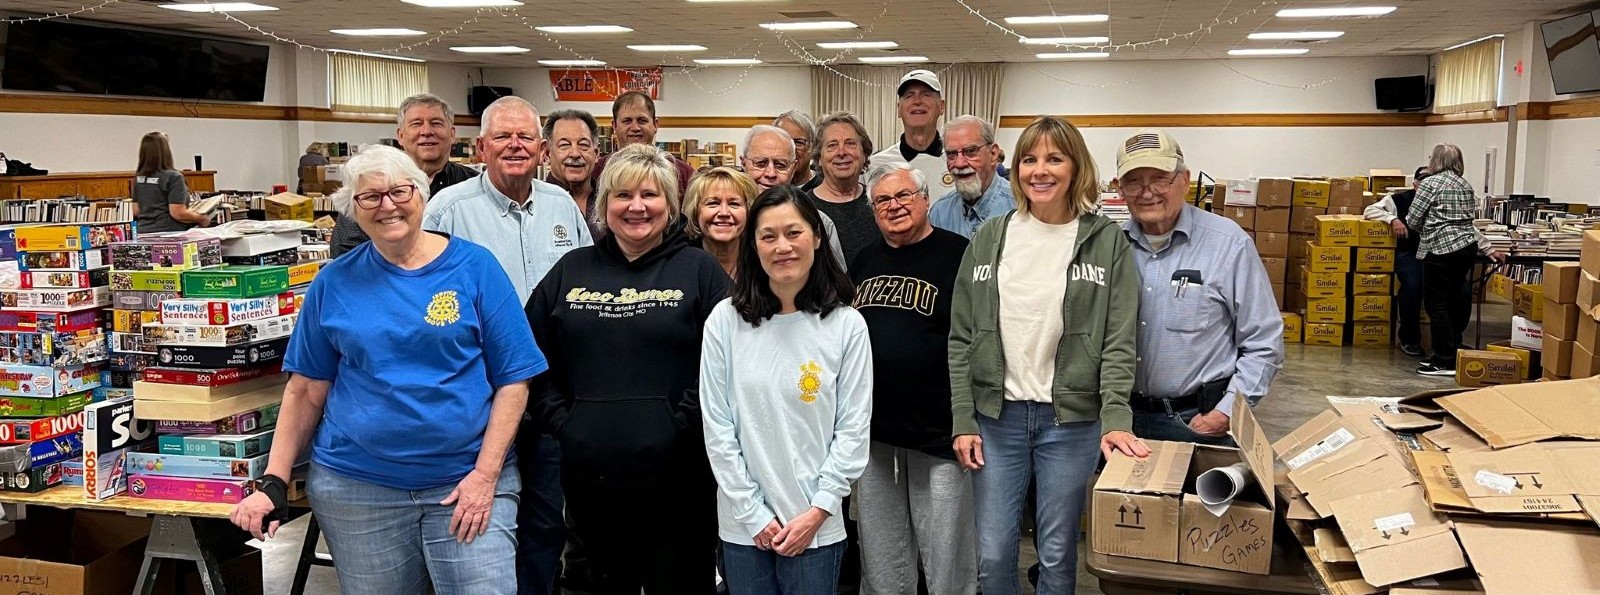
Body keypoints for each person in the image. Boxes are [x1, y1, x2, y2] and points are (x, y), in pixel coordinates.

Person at [228, 145, 546, 595]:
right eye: (370, 197)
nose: (388, 205)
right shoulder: (333, 282)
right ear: (352, 211)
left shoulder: (476, 269)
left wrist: (485, 475)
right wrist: (274, 483)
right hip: (358, 492)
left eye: (399, 191)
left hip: (465, 483)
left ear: (422, 193)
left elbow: (514, 379)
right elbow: (305, 391)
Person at [949, 116, 1147, 595]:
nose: (1040, 170)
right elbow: (960, 337)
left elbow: (1119, 340)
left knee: (1058, 555)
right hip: (998, 421)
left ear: (1075, 167)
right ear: (1014, 169)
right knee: (993, 554)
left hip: (1071, 424)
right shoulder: (990, 238)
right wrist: (963, 417)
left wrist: (1116, 414)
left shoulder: (1105, 242)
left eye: (1055, 158)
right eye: (1030, 160)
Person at [525, 144, 728, 594]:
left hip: (680, 478)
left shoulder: (700, 270)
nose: (637, 207)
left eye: (650, 195)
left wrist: (680, 423)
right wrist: (565, 422)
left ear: (671, 206)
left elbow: (729, 361)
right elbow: (528, 356)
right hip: (590, 477)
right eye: (622, 195)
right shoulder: (571, 270)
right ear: (604, 206)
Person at [424, 95, 591, 595]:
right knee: (477, 519)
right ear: (481, 147)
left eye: (525, 137)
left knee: (545, 519)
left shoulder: (561, 205)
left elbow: (584, 284)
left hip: (549, 393)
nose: (515, 146)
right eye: (502, 136)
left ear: (542, 149)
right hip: (478, 395)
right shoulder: (448, 211)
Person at [700, 185, 872, 594]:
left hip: (816, 523)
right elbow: (717, 425)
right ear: (753, 245)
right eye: (768, 236)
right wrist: (752, 511)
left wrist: (819, 510)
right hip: (744, 525)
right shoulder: (725, 321)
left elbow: (852, 429)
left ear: (816, 236)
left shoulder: (846, 325)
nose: (783, 247)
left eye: (793, 233)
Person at [850, 162, 975, 595]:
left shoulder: (960, 254)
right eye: (883, 200)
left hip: (939, 429)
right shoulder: (864, 259)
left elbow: (977, 338)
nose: (894, 206)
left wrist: (968, 419)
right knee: (882, 556)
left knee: (947, 556)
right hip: (874, 431)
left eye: (904, 195)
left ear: (925, 199)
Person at [1114, 129, 1284, 448]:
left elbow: (1264, 341)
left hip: (1199, 422)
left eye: (1160, 178)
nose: (1147, 192)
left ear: (1185, 179)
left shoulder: (1228, 244)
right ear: (1121, 188)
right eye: (1134, 181)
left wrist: (1226, 411)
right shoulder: (1110, 248)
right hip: (1123, 425)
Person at [331, 93, 480, 258]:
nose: (426, 131)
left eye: (436, 123)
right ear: (400, 136)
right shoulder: (367, 185)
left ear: (452, 134)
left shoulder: (474, 184)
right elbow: (347, 253)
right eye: (416, 124)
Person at [1408, 143, 1484, 376]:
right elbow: (1471, 217)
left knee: (1436, 304)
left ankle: (1444, 359)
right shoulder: (1465, 184)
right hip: (1466, 247)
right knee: (1453, 302)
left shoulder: (1430, 183)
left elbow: (1413, 218)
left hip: (1440, 247)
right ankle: (1452, 349)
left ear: (1436, 160)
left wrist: (1426, 228)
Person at [743, 124, 847, 267]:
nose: (770, 173)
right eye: (761, 163)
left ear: (793, 168)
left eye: (781, 165)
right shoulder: (731, 221)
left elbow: (836, 283)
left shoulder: (818, 221)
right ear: (743, 163)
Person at [1365, 166, 1432, 356]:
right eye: (1422, 184)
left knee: (1460, 288)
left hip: (1434, 254)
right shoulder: (1399, 199)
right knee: (1413, 285)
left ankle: (1450, 342)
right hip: (1408, 253)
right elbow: (1370, 210)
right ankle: (1409, 340)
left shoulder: (1440, 201)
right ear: (1415, 184)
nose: (1425, 188)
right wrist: (1392, 219)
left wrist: (1489, 248)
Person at [868, 69, 954, 200]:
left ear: (941, 106)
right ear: (898, 109)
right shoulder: (875, 165)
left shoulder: (959, 160)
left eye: (926, 94)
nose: (917, 101)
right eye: (909, 95)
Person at [807, 112, 879, 266]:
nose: (841, 152)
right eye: (832, 145)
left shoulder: (880, 200)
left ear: (865, 154)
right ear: (819, 158)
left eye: (850, 143)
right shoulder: (803, 208)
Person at [595, 91, 694, 196]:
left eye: (642, 120)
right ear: (614, 126)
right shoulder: (596, 172)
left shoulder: (683, 174)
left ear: (655, 125)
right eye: (627, 121)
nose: (635, 128)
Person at [930, 115, 1013, 238]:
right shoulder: (940, 213)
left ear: (993, 153)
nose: (959, 163)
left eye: (970, 151)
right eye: (951, 154)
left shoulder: (1020, 206)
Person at [685, 167, 758, 278]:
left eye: (734, 204)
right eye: (713, 203)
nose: (724, 213)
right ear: (695, 210)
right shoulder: (680, 265)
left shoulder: (762, 262)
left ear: (749, 211)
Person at [542, 109, 603, 239]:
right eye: (564, 145)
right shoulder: (534, 204)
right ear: (547, 154)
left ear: (596, 154)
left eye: (583, 145)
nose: (575, 153)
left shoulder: (610, 200)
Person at [133, 132, 209, 232]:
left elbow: (136, 210)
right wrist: (201, 218)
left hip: (142, 231)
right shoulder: (174, 177)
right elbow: (178, 213)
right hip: (169, 233)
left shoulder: (139, 178)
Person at [774, 110, 819, 191]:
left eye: (798, 142)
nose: (792, 149)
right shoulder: (765, 185)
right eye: (785, 141)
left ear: (812, 146)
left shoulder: (825, 189)